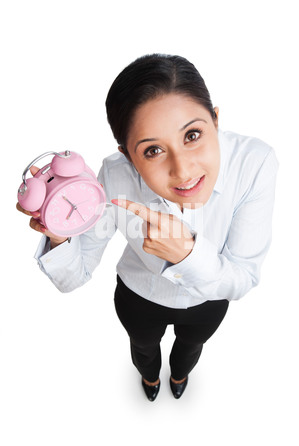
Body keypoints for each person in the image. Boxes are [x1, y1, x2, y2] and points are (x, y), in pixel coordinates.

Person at [16, 54, 278, 401]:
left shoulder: (254, 162)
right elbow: (74, 276)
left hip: (209, 298)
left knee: (191, 346)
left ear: (215, 120)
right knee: (142, 348)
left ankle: (180, 376)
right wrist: (59, 231)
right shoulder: (114, 174)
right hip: (139, 295)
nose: (183, 171)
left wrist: (188, 253)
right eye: (153, 150)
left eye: (193, 134)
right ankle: (151, 380)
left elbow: (242, 278)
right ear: (127, 155)